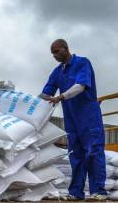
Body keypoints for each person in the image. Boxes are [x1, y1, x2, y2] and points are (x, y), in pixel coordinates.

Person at [40, 39, 107, 201]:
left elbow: (81, 86)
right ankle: (76, 193)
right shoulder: (57, 72)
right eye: (52, 53)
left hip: (88, 117)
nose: (54, 56)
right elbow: (45, 95)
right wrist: (24, 101)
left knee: (93, 152)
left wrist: (61, 97)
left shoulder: (82, 63)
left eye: (56, 51)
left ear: (66, 49)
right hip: (71, 119)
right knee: (75, 155)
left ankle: (99, 192)